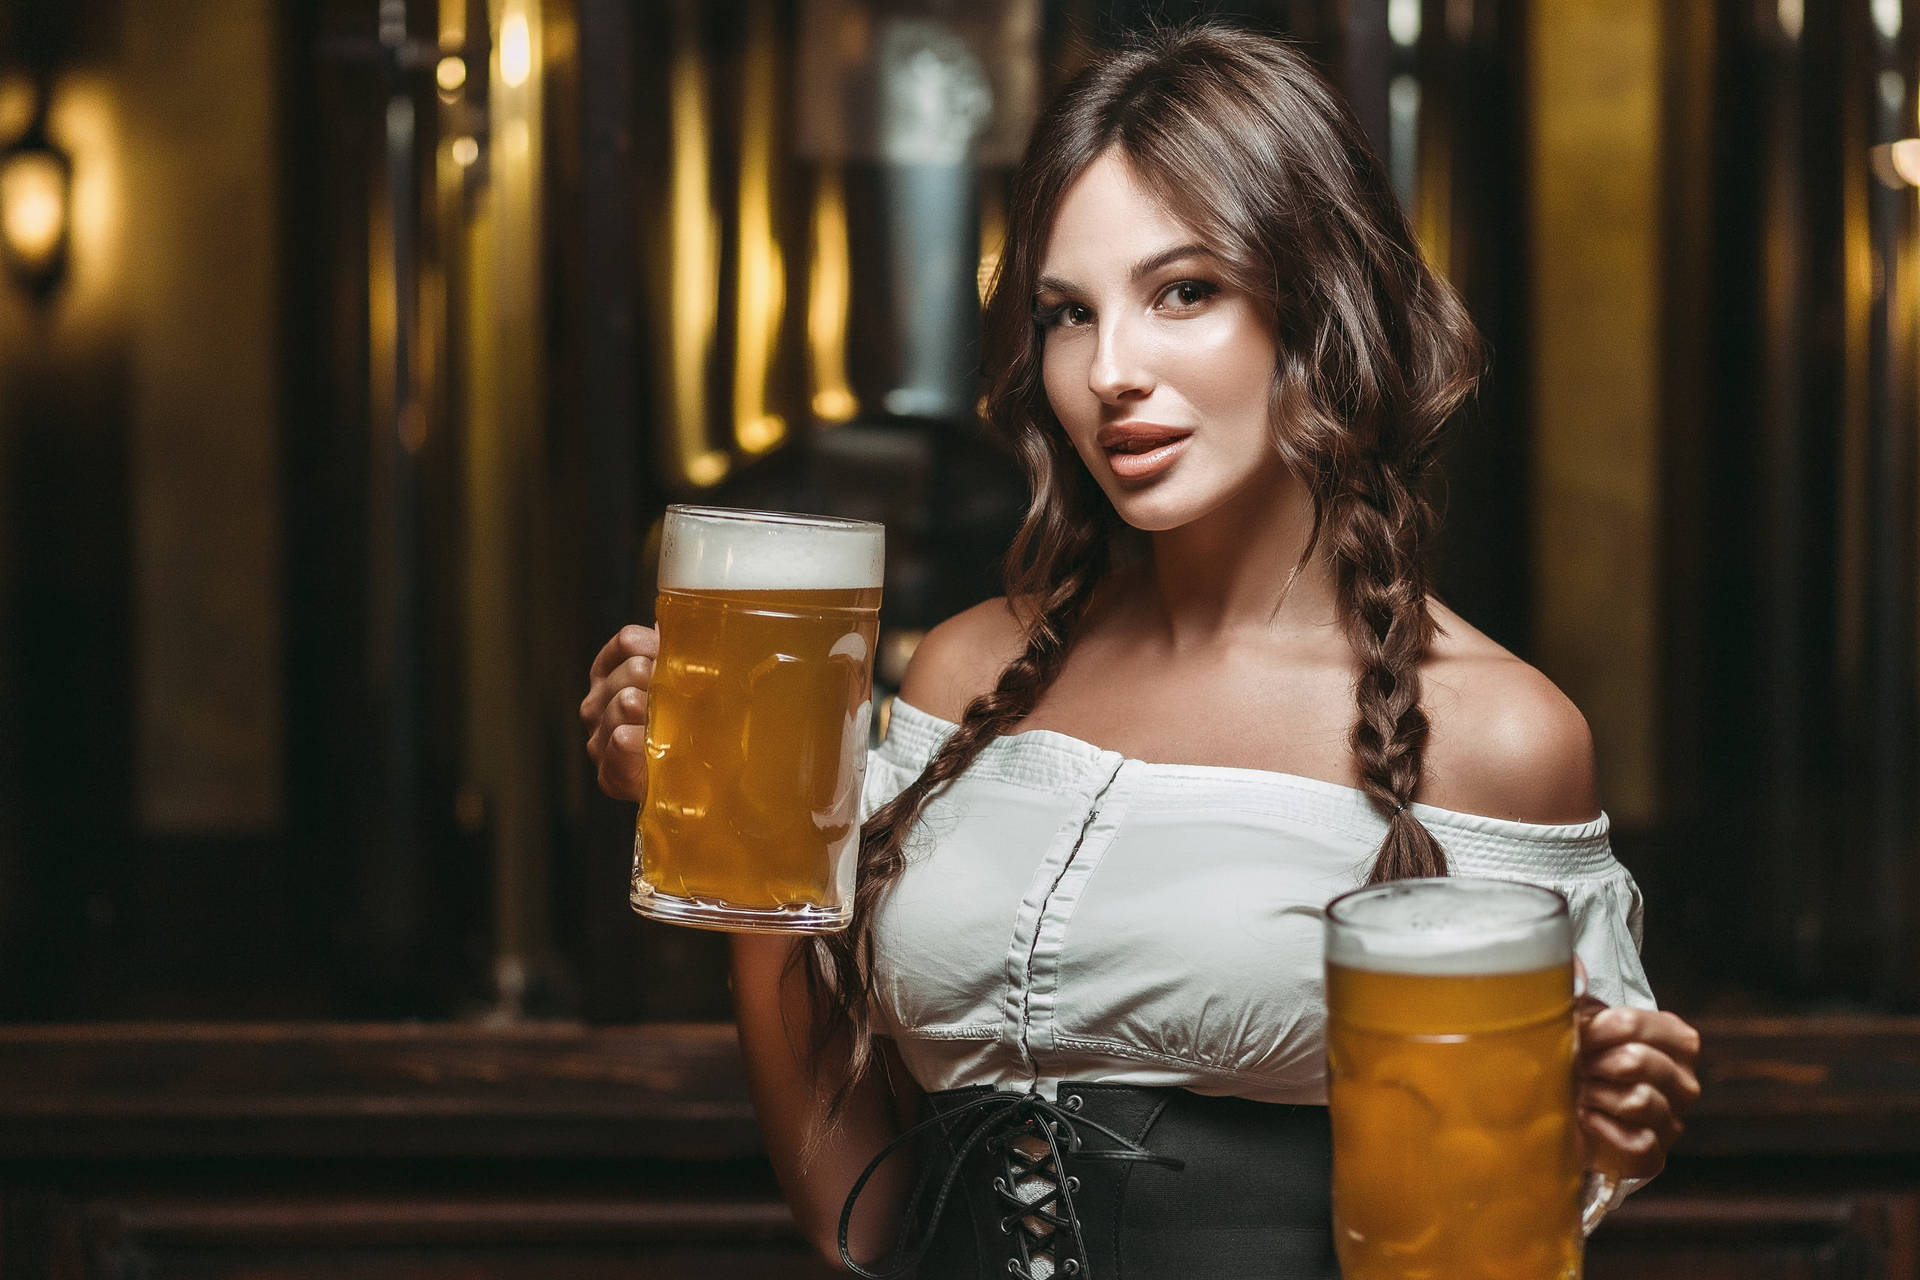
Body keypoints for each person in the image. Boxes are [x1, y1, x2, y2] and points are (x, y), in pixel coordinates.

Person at [582, 20, 1702, 1278]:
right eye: (1068, 312)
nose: (1111, 371)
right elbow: (852, 1215)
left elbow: (1481, 1232)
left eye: (1185, 291)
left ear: (1318, 300)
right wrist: (745, 822)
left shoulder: (1500, 734)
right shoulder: (961, 679)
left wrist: (1575, 1136)